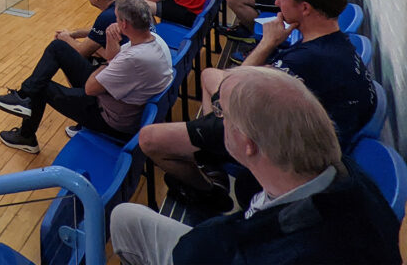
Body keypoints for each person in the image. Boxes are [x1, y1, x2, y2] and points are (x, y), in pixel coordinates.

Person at [111, 66, 400, 265]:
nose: (216, 118)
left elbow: (200, 251)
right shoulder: (351, 175)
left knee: (123, 217)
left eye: (221, 113)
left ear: (248, 143)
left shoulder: (247, 250)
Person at [138, 0, 375, 211]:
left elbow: (234, 83)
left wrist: (268, 41)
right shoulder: (337, 42)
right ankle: (214, 153)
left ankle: (207, 192)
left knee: (149, 139)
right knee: (209, 74)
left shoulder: (308, 60)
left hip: (283, 145)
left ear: (305, 8)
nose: (275, 2)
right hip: (295, 125)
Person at [0, 0, 172, 153]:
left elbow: (91, 88)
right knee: (58, 47)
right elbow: (113, 61)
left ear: (123, 24)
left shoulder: (133, 58)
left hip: (109, 117)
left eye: (116, 19)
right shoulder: (154, 40)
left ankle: (26, 136)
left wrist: (108, 64)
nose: (114, 22)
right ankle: (24, 97)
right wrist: (111, 42)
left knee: (43, 86)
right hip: (116, 97)